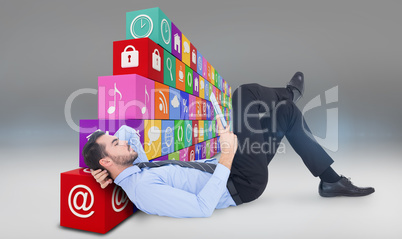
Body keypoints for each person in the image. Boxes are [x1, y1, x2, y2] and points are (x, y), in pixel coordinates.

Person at [83, 72, 374, 218]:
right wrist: (226, 155)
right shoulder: (143, 189)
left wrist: (110, 171)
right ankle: (289, 93)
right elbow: (202, 207)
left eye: (116, 141)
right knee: (244, 95)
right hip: (242, 182)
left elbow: (127, 132)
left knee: (286, 115)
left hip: (233, 166)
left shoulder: (137, 165)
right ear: (108, 160)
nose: (123, 142)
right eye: (115, 145)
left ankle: (331, 181)